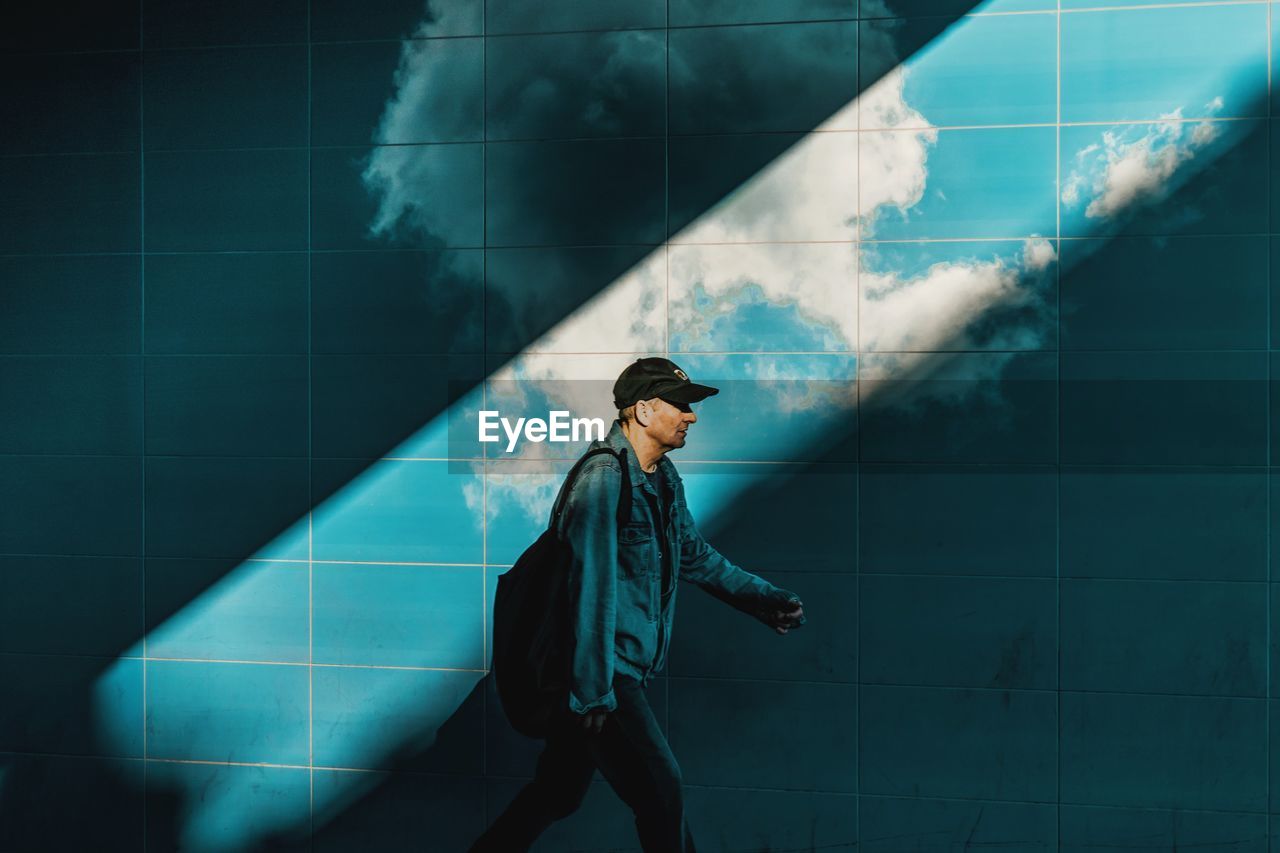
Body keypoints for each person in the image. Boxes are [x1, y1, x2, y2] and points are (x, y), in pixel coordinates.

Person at [470, 357, 806, 853]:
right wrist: (592, 692)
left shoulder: (663, 479)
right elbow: (592, 585)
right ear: (644, 410)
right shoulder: (604, 478)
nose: (691, 417)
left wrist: (765, 600)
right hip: (601, 675)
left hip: (606, 674)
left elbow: (694, 555)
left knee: (557, 794)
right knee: (660, 790)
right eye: (682, 406)